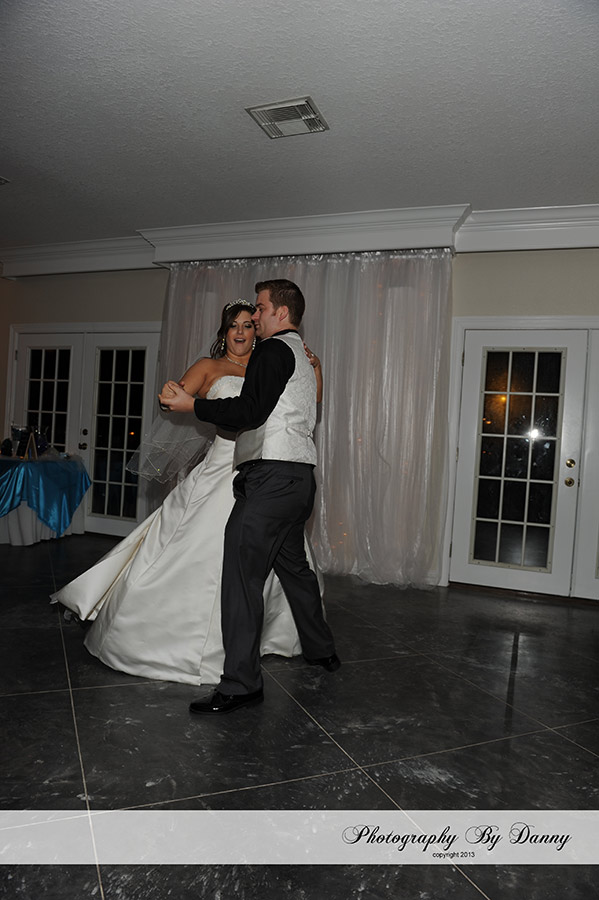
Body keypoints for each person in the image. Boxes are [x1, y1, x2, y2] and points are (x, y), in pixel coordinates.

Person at [51, 300, 321, 686]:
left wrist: (315, 368)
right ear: (224, 332)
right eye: (233, 325)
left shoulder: (270, 363)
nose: (241, 331)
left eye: (248, 324)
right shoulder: (209, 367)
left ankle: (267, 641)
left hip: (265, 471)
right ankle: (179, 644)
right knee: (200, 554)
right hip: (222, 468)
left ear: (257, 329)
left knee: (276, 561)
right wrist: (170, 395)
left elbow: (305, 403)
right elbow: (174, 401)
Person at [159, 279, 339, 715]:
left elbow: (249, 411)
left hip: (272, 479)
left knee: (242, 577)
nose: (254, 316)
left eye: (260, 308)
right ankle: (321, 650)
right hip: (300, 480)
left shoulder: (273, 350)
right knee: (294, 569)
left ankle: (241, 684)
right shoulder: (301, 355)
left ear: (281, 312)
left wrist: (193, 406)